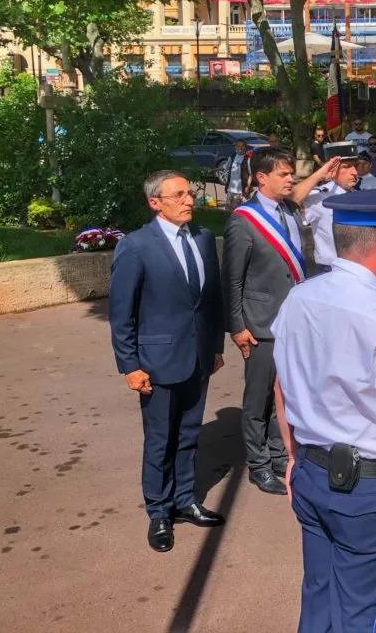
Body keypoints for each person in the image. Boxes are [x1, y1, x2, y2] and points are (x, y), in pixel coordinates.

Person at [271, 188, 376, 633]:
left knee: (319, 600)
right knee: (362, 616)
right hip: (361, 492)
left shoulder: (299, 297)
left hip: (310, 472)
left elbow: (282, 385)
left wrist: (291, 457)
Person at [109, 170, 226, 552]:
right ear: (155, 203)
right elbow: (121, 313)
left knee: (189, 433)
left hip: (199, 357)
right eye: (177, 195)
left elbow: (211, 300)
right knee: (160, 439)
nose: (188, 200)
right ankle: (159, 511)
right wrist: (130, 365)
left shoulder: (205, 239)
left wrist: (215, 346)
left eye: (189, 193)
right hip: (157, 361)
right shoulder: (137, 246)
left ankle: (186, 499)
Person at [223, 148, 308, 497]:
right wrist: (237, 326)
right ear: (261, 178)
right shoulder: (243, 220)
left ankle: (278, 456)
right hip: (260, 325)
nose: (291, 179)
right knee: (258, 400)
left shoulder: (289, 210)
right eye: (284, 174)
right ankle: (258, 466)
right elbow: (232, 279)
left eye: (291, 174)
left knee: (285, 397)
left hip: (293, 322)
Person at [295, 141, 359, 274]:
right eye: (347, 166)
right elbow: (291, 199)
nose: (354, 172)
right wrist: (319, 175)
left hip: (357, 268)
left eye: (355, 166)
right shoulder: (319, 197)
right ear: (331, 169)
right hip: (329, 269)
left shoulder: (358, 196)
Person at [226, 139, 251, 208]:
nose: (240, 148)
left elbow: (250, 174)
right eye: (238, 146)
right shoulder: (232, 157)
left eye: (242, 146)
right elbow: (225, 167)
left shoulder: (247, 159)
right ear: (235, 147)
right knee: (228, 209)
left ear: (245, 148)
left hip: (240, 191)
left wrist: (248, 187)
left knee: (238, 210)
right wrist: (214, 169)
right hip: (230, 189)